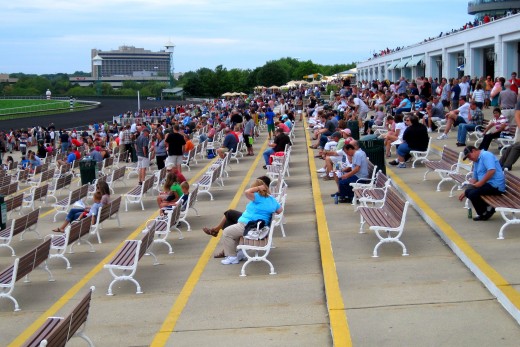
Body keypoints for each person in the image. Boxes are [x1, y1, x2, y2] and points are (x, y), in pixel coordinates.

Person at [218, 178, 282, 265]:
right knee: (233, 231)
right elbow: (279, 210)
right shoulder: (272, 199)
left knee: (227, 232)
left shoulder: (258, 197)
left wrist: (258, 188)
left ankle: (232, 257)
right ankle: (239, 253)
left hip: (249, 226)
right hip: (257, 226)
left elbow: (247, 192)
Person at [459, 146, 505, 221]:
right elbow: (474, 178)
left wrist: (480, 183)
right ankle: (486, 211)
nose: (469, 159)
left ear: (473, 151)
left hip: (495, 186)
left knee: (472, 194)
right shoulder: (476, 161)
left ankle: (485, 212)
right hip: (487, 185)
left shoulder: (486, 155)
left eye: (469, 156)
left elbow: (491, 171)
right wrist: (466, 190)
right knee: (468, 192)